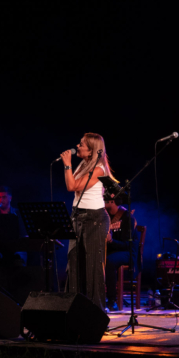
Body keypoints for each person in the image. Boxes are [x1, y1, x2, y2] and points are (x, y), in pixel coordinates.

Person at [61, 133, 113, 312]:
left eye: (82, 144)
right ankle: (74, 311)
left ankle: (96, 313)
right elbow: (71, 186)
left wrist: (67, 164)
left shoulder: (99, 169)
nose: (78, 146)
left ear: (91, 151)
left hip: (94, 219)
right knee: (74, 263)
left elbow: (72, 186)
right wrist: (70, 166)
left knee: (92, 268)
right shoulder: (83, 165)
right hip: (77, 217)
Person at [104, 194, 138, 311]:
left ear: (112, 201)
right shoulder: (105, 216)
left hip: (127, 252)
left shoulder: (127, 218)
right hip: (112, 251)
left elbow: (127, 244)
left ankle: (112, 300)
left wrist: (111, 241)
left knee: (109, 261)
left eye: (104, 199)